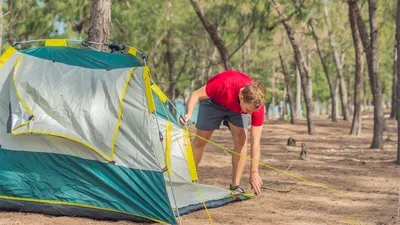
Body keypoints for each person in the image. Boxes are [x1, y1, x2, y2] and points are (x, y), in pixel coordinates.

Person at [180, 70, 266, 195]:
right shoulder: (224, 84)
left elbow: (255, 141)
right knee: (201, 139)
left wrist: (254, 172)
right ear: (242, 97)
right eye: (248, 110)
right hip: (214, 102)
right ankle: (189, 180)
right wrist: (188, 114)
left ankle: (235, 185)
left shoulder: (256, 106)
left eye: (252, 111)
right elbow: (196, 95)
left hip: (236, 109)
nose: (250, 114)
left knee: (242, 139)